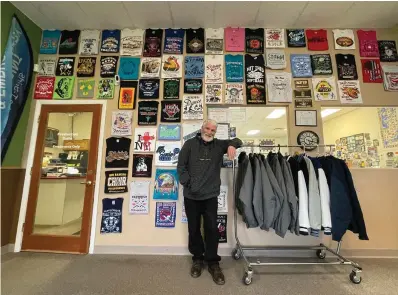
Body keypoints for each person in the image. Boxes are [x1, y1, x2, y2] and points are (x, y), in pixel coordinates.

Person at [177, 119, 242, 285]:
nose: (210, 132)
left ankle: (213, 262)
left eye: (213, 130)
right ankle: (197, 259)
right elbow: (181, 167)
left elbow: (238, 140)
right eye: (207, 128)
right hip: (191, 196)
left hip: (211, 196)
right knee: (194, 228)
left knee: (212, 229)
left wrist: (232, 145)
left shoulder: (219, 145)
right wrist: (189, 183)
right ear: (202, 128)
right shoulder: (189, 144)